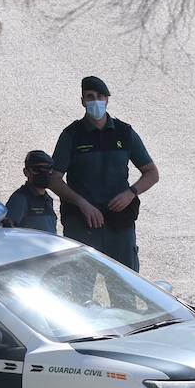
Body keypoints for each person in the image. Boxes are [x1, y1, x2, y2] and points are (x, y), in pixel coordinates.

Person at [49, 75, 159, 270]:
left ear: (107, 99)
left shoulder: (124, 133)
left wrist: (130, 193)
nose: (96, 101)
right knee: (81, 288)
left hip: (119, 224)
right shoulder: (71, 135)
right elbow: (54, 179)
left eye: (100, 96)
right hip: (83, 225)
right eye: (90, 97)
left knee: (125, 287)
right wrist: (82, 203)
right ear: (82, 101)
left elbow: (151, 173)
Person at [3, 151, 59, 233]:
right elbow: (7, 231)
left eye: (48, 169)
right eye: (37, 169)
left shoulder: (48, 199)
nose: (44, 173)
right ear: (26, 172)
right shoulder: (20, 199)